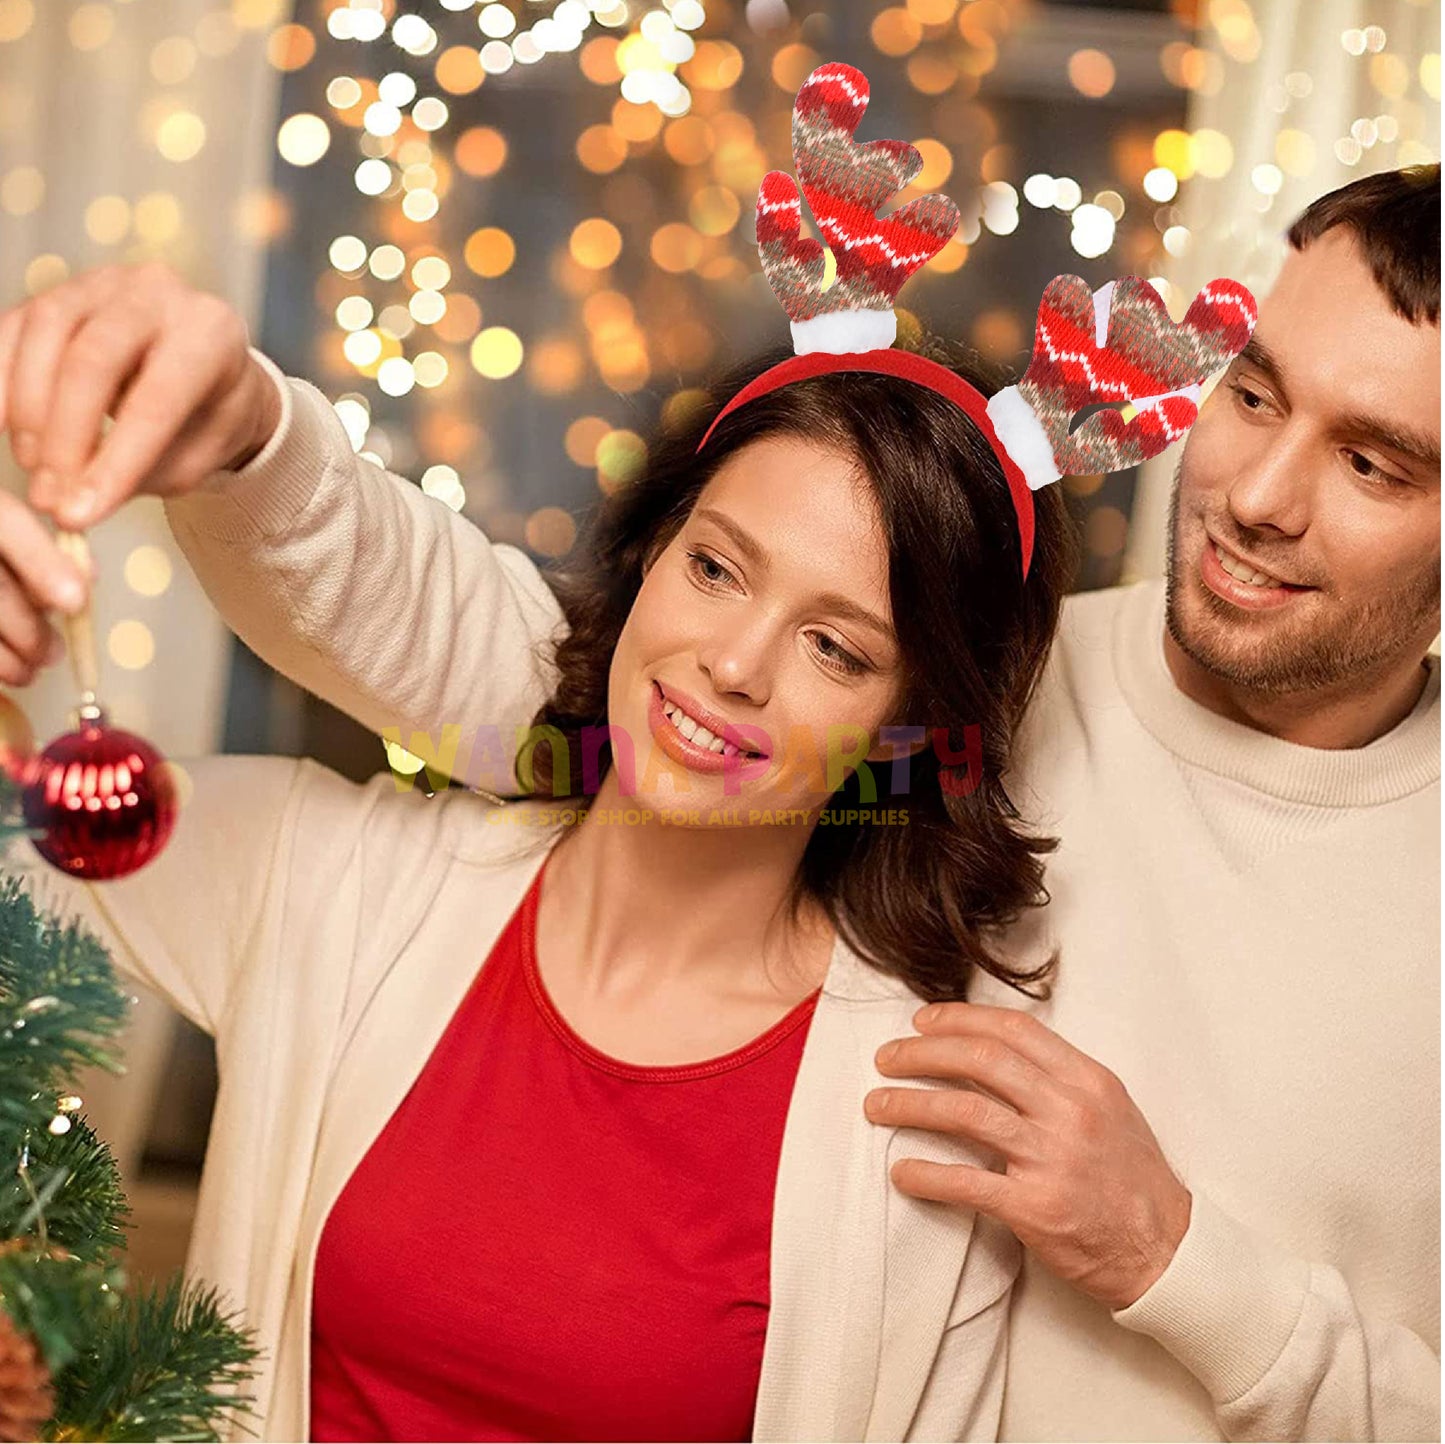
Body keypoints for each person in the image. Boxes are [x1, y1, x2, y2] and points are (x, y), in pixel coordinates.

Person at [0, 164, 1434, 1440]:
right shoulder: (368, 883)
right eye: (1248, 392)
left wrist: (1180, 1262)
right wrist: (249, 433)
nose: (1258, 496)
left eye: (1374, 461)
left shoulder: (899, 1120)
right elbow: (502, 663)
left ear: (912, 713)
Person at [0, 279, 1096, 1436]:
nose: (733, 664)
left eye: (833, 646)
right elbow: (29, 848)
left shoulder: (917, 1124)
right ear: (646, 562)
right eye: (714, 568)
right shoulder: (340, 883)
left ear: (905, 729)